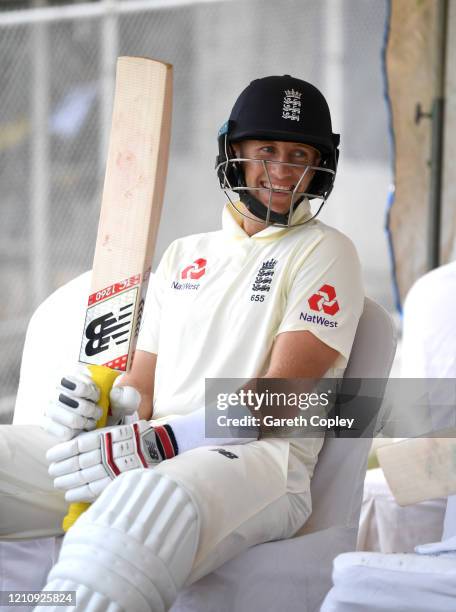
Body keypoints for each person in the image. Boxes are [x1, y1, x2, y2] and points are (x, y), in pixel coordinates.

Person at [1, 75, 364, 611]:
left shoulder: (324, 250)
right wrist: (97, 409)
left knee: (145, 504)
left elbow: (287, 394)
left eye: (300, 154)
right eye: (267, 151)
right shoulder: (183, 254)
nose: (284, 171)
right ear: (234, 152)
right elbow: (139, 390)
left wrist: (167, 441)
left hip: (260, 461)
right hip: (150, 445)